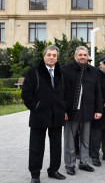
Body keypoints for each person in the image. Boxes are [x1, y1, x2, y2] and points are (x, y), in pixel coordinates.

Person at [22, 45, 67, 183]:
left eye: (54, 55)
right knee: (36, 146)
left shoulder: (61, 73)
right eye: (49, 55)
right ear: (44, 56)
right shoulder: (33, 72)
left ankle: (53, 170)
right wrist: (36, 107)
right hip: (39, 115)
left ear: (57, 57)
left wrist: (64, 109)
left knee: (56, 145)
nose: (51, 57)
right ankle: (35, 174)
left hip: (57, 115)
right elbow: (26, 94)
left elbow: (67, 93)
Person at [63, 46, 102, 175]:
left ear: (87, 57)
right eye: (80, 55)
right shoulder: (66, 70)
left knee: (86, 140)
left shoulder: (93, 71)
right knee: (70, 141)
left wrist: (98, 110)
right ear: (75, 56)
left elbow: (98, 92)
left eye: (85, 55)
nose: (83, 57)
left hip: (88, 111)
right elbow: (62, 93)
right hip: (71, 111)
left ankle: (84, 163)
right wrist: (63, 111)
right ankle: (70, 164)